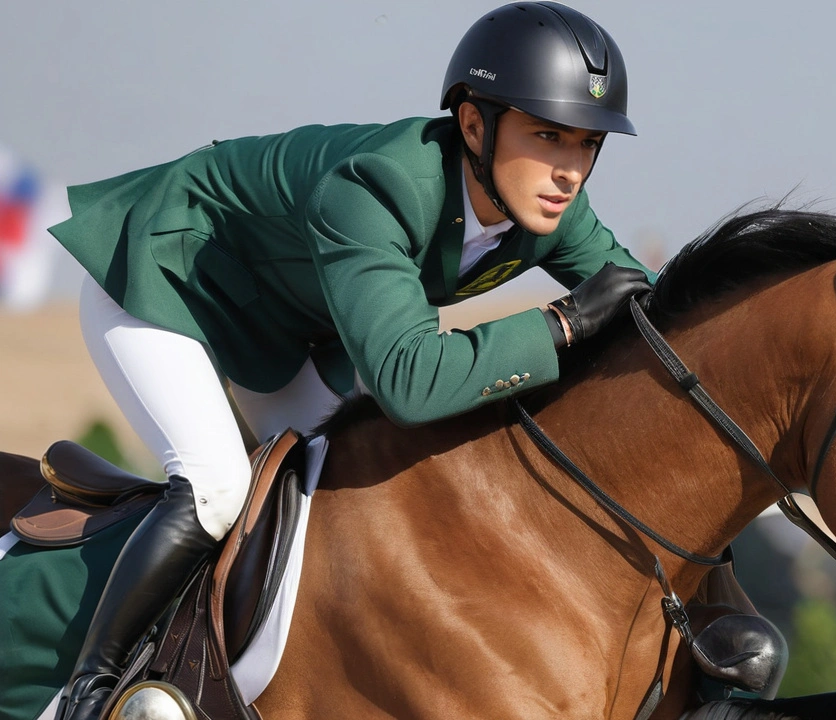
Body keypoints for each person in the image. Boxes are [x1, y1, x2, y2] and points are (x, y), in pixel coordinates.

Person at [47, 3, 655, 718]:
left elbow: (656, 317)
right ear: (472, 125)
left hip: (281, 329)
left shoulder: (554, 210)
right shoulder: (379, 184)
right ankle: (94, 690)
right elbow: (407, 381)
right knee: (216, 486)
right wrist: (560, 325)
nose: (568, 171)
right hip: (167, 275)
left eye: (586, 144)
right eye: (547, 136)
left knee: (355, 482)